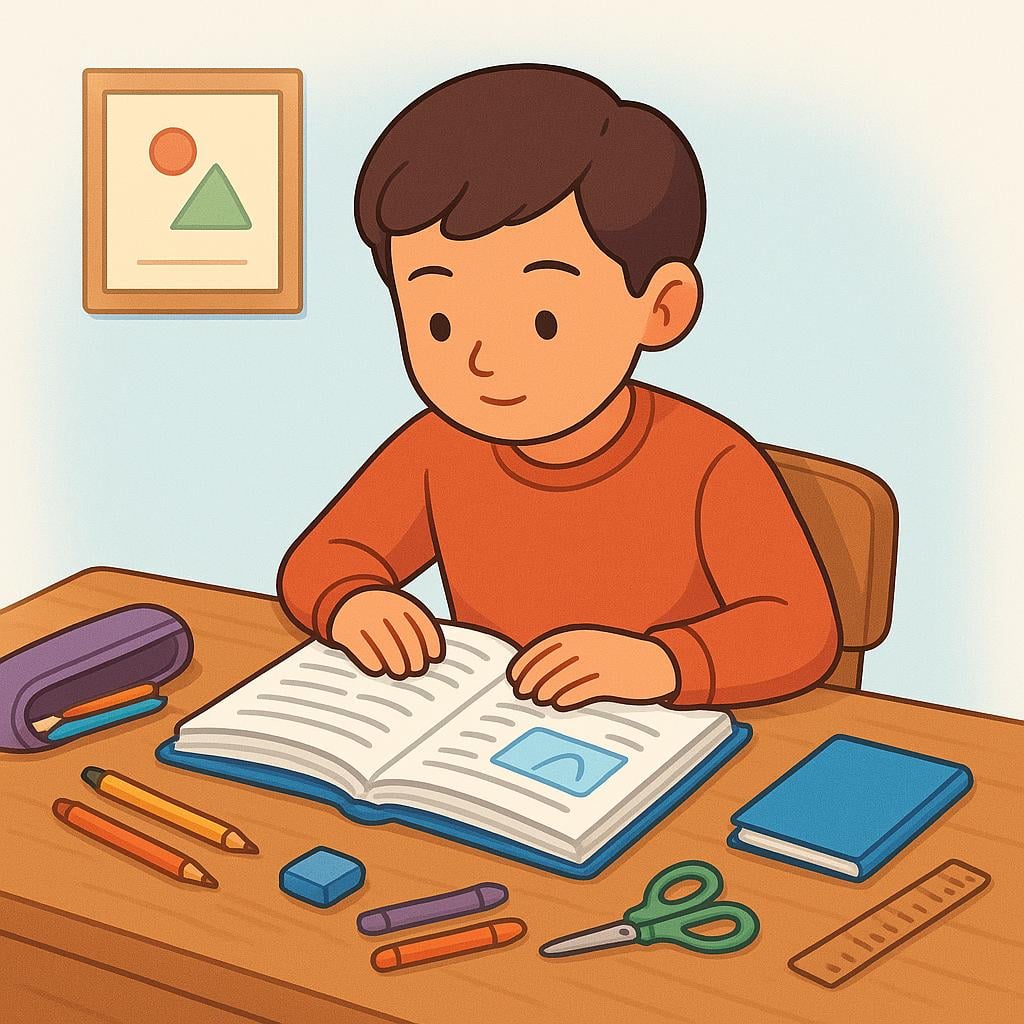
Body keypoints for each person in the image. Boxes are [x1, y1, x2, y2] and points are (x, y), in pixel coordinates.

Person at [279, 65, 840, 710]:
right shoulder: (437, 447)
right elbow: (324, 555)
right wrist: (354, 599)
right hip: (492, 737)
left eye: (543, 321)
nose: (481, 360)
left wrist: (662, 664)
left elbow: (798, 630)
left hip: (666, 749)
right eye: (439, 321)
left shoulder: (709, 463)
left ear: (661, 308)